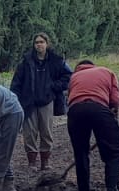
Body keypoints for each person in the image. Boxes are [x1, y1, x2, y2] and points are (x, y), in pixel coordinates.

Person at [67, 60, 119, 191]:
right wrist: (113, 115)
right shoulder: (106, 71)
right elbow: (115, 99)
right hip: (99, 108)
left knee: (81, 153)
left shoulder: (74, 77)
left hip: (75, 111)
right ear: (93, 66)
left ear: (78, 68)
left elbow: (70, 98)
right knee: (114, 151)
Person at [9, 32, 72, 171]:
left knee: (46, 132)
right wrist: (15, 99)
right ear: (34, 45)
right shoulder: (26, 62)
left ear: (47, 44)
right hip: (28, 102)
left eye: (41, 42)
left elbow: (68, 76)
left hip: (47, 100)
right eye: (36, 42)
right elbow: (16, 83)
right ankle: (31, 162)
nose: (39, 44)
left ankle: (45, 162)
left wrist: (54, 86)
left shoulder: (56, 61)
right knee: (29, 133)